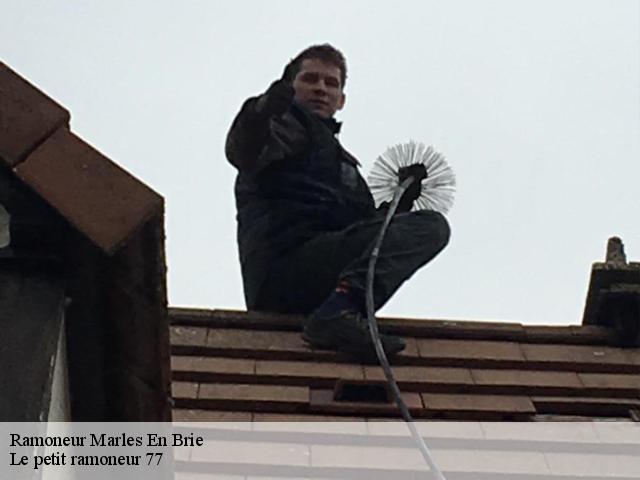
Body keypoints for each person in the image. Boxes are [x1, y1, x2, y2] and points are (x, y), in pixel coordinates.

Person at [226, 44, 450, 361]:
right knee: (431, 226)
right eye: (310, 79)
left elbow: (359, 233)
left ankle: (340, 309)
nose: (321, 88)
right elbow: (244, 151)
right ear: (290, 87)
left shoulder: (341, 165)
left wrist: (397, 207)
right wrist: (261, 111)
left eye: (331, 83)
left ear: (341, 99)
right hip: (285, 271)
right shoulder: (285, 125)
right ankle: (341, 309)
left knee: (424, 228)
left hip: (316, 272)